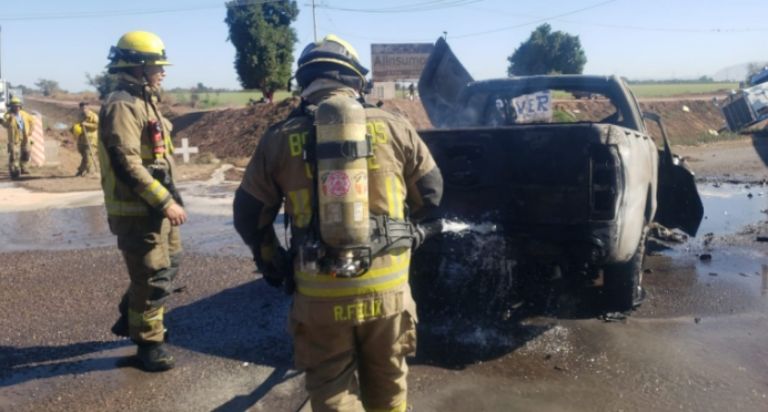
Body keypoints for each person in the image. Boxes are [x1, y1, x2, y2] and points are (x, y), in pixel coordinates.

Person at [234, 34, 443, 411]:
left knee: (332, 392)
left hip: (319, 293)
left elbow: (248, 216)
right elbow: (432, 195)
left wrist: (272, 261)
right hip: (387, 290)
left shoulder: (279, 138)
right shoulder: (394, 125)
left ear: (304, 81)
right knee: (390, 385)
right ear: (355, 80)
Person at [98, 30, 187, 372]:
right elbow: (127, 163)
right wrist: (165, 202)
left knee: (168, 266)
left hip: (154, 208)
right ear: (138, 67)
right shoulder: (122, 105)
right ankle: (148, 344)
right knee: (152, 277)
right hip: (139, 212)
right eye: (157, 65)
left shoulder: (144, 101)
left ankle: (132, 313)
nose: (162, 71)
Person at [2, 96, 35, 179]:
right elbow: (5, 124)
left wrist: (30, 131)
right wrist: (7, 120)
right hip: (14, 138)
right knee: (14, 155)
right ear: (11, 107)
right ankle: (14, 171)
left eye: (17, 106)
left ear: (20, 106)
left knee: (26, 153)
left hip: (25, 137)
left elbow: (32, 122)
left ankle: (23, 167)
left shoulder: (24, 114)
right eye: (14, 106)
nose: (16, 107)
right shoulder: (8, 115)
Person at [75, 101, 99, 176]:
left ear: (88, 108)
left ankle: (89, 172)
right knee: (85, 156)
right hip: (82, 139)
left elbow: (97, 126)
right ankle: (81, 170)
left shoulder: (93, 116)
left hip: (91, 139)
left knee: (89, 156)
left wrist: (86, 124)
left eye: (85, 108)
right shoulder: (80, 116)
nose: (83, 110)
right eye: (82, 108)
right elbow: (77, 125)